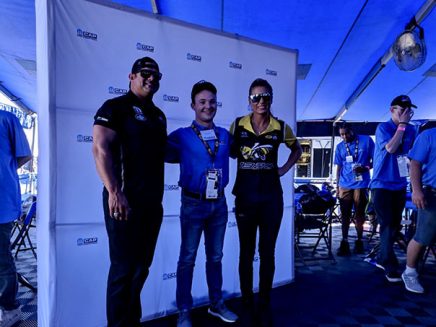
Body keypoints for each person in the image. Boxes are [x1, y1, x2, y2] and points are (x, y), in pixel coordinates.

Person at [92, 57, 167, 327]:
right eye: (145, 73)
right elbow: (100, 149)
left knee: (140, 270)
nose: (151, 79)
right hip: (123, 202)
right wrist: (114, 191)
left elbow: (162, 153)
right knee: (123, 270)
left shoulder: (158, 116)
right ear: (131, 76)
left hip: (151, 205)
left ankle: (130, 322)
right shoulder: (115, 107)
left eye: (156, 75)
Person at [230, 78, 302, 326]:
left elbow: (298, 149)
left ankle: (264, 302)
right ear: (249, 101)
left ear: (271, 99)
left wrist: (283, 169)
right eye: (256, 97)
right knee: (246, 252)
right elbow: (227, 152)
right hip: (245, 199)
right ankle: (247, 300)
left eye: (265, 96)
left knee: (267, 252)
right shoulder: (237, 125)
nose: (261, 101)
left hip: (272, 199)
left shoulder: (281, 127)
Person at [166, 81, 238, 327]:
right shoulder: (181, 136)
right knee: (187, 258)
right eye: (202, 102)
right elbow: (163, 154)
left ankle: (216, 304)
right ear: (193, 106)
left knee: (215, 257)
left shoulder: (225, 136)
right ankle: (184, 310)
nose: (208, 106)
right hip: (193, 204)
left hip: (219, 204)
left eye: (212, 101)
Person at [369, 95, 416, 283]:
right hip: (381, 184)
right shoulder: (384, 128)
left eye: (408, 111)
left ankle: (382, 257)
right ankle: (389, 263)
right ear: (392, 110)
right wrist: (402, 126)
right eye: (401, 110)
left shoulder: (413, 130)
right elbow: (390, 148)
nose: (406, 114)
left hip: (399, 184)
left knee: (393, 225)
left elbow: (411, 155)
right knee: (387, 223)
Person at [0, 110, 32, 327]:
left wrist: (5, 169)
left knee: (1, 259)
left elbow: (24, 155)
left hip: (2, 201)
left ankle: (9, 308)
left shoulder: (7, 118)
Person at [401, 127, 436, 293]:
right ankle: (410, 272)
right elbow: (415, 163)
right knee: (423, 236)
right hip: (432, 193)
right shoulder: (428, 136)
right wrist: (416, 190)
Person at [334, 122, 374, 256]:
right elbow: (339, 166)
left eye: (346, 133)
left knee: (360, 214)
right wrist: (337, 184)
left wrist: (366, 168)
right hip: (345, 184)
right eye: (341, 135)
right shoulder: (340, 147)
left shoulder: (366, 140)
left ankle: (359, 241)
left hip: (361, 184)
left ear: (352, 131)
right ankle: (344, 242)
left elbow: (375, 160)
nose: (344, 137)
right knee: (344, 215)